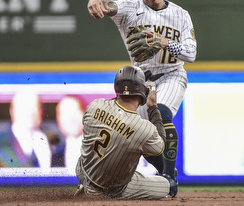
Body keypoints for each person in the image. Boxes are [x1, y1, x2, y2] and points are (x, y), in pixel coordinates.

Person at [87, 0, 197, 182]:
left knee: (162, 112)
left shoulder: (181, 15)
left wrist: (164, 42)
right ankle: (166, 169)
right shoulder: (130, 9)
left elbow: (191, 54)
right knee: (138, 136)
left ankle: (168, 178)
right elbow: (107, 4)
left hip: (171, 75)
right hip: (141, 82)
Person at [75, 65, 177, 199]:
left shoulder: (94, 106)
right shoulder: (143, 128)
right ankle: (98, 192)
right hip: (114, 188)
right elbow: (160, 146)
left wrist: (128, 87)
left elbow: (113, 108)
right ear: (143, 92)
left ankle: (87, 187)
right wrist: (153, 107)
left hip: (83, 172)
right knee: (167, 185)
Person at [0, 88, 53, 168]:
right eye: (25, 106)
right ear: (12, 111)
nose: (30, 112)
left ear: (41, 111)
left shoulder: (53, 139)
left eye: (35, 107)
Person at [56, 96, 84, 173]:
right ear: (58, 119)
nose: (71, 118)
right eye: (65, 113)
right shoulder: (56, 149)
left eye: (75, 112)